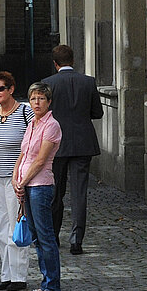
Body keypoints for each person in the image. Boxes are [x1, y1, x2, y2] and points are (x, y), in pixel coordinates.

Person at [44, 44, 104, 255]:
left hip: (55, 144)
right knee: (79, 193)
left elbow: (42, 116)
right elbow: (97, 113)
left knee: (54, 192)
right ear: (73, 61)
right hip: (82, 142)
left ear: (55, 63)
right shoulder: (88, 82)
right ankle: (76, 240)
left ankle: (52, 235)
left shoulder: (47, 84)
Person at [12, 81, 63, 291]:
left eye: (41, 98)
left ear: (49, 102)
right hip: (27, 184)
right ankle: (45, 284)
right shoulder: (32, 124)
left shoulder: (52, 126)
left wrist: (23, 181)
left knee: (45, 236)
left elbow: (41, 160)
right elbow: (23, 154)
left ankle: (52, 286)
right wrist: (16, 178)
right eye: (33, 98)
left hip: (40, 185)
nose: (36, 102)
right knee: (36, 236)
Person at [0, 71, 33, 290]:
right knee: (0, 225)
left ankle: (19, 276)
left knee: (17, 225)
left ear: (11, 89)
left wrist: (23, 175)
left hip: (15, 178)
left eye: (0, 89)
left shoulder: (25, 112)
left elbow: (33, 143)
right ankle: (6, 273)